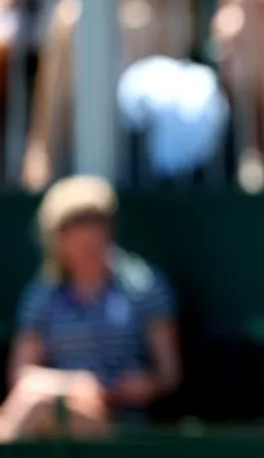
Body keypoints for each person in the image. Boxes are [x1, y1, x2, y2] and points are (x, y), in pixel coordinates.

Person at [0, 176, 181, 442]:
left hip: (121, 420)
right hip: (59, 406)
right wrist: (78, 384)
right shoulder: (42, 294)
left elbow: (169, 374)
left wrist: (142, 384)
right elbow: (22, 374)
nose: (87, 234)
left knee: (34, 403)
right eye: (73, 224)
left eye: (94, 221)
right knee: (33, 399)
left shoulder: (144, 285)